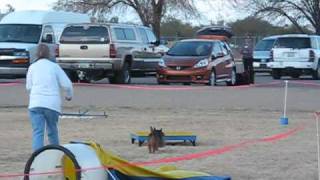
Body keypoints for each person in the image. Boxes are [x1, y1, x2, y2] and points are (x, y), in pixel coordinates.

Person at [26, 44, 73, 151]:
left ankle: (36, 157)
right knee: (52, 130)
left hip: (35, 103)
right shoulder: (54, 67)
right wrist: (69, 95)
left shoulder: (32, 67)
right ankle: (56, 153)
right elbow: (67, 84)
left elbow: (29, 87)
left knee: (38, 132)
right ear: (49, 54)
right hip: (52, 104)